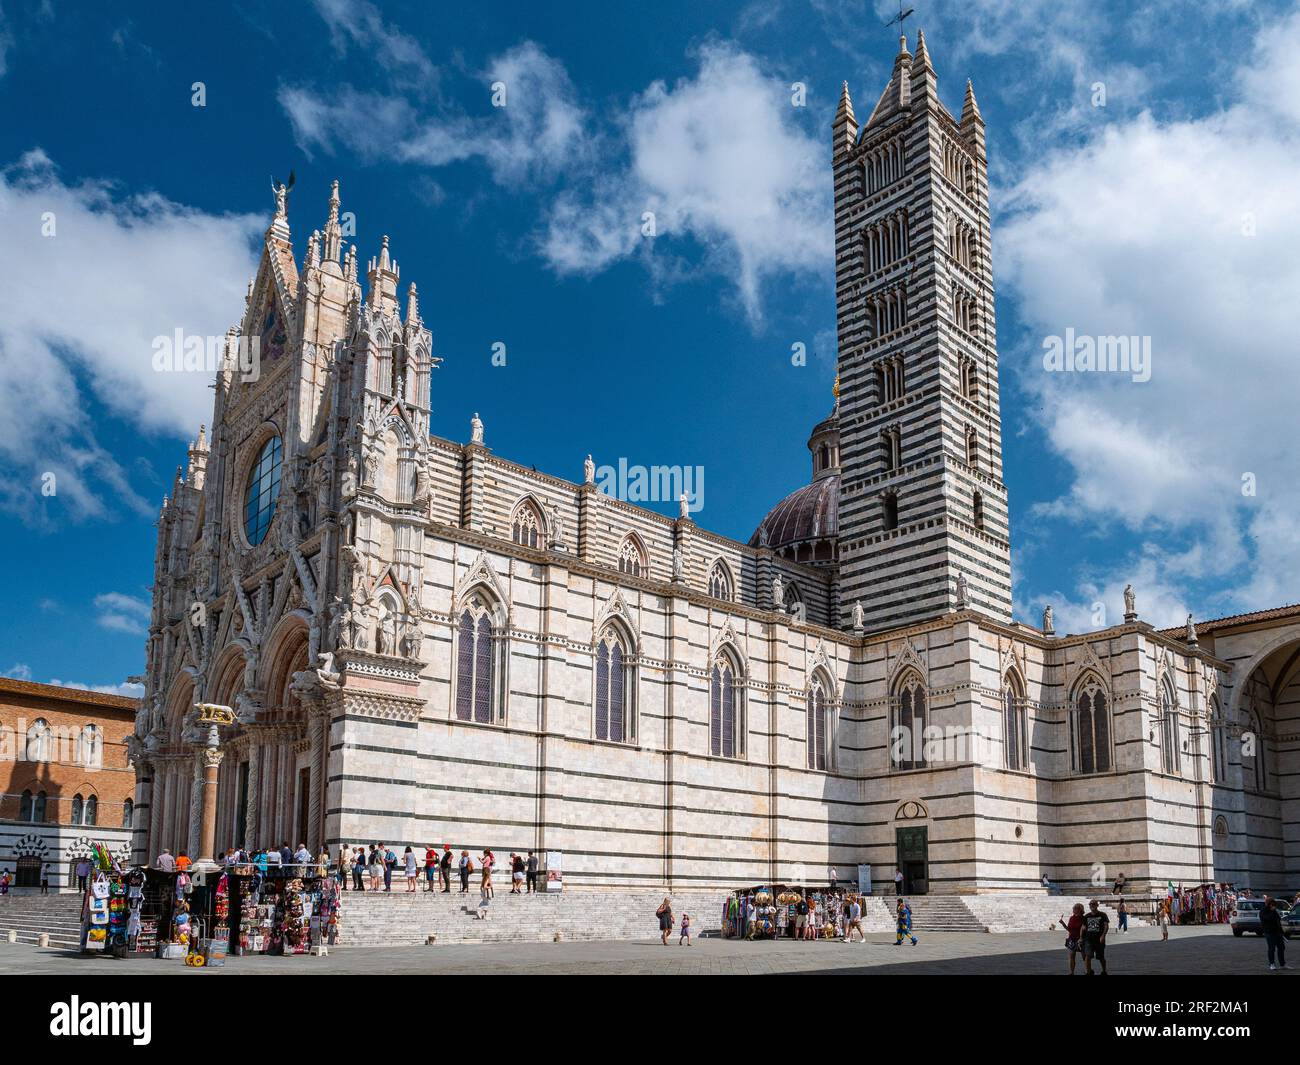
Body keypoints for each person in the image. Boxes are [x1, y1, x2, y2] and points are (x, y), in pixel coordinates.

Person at [1080, 899, 1109, 975]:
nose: (1092, 905)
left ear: (1097, 905)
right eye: (1090, 904)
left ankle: (1104, 970)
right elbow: (1083, 927)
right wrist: (1080, 938)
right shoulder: (1087, 916)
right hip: (1088, 939)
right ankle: (1088, 971)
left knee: (1101, 957)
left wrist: (1103, 935)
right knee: (1088, 956)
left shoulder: (1103, 915)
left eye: (1093, 904)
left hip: (1099, 939)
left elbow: (1106, 926)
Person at [1261, 896, 1289, 970]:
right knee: (1271, 948)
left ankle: (1282, 964)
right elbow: (1267, 919)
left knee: (1281, 948)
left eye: (1274, 904)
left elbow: (1278, 920)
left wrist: (1282, 932)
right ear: (1269, 904)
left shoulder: (1274, 910)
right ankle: (1272, 964)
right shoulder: (1264, 910)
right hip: (1269, 932)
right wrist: (1272, 911)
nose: (1274, 905)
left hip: (1278, 932)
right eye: (1272, 903)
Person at [1058, 904, 1085, 975]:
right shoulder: (1071, 918)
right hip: (1072, 939)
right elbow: (1069, 929)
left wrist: (1082, 938)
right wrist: (1063, 924)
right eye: (1074, 908)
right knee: (1071, 956)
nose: (1074, 909)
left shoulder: (1083, 918)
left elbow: (1085, 929)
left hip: (1081, 939)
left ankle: (1088, 970)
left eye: (1076, 908)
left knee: (1084, 957)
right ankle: (1071, 972)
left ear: (1080, 910)